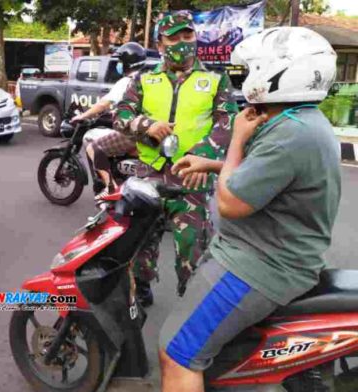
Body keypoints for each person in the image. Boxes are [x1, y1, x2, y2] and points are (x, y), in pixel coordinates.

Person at [158, 26, 340, 392]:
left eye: (251, 67)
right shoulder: (298, 122)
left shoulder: (290, 134)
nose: (244, 76)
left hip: (258, 265)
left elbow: (230, 203)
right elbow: (267, 173)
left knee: (177, 352)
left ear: (277, 72)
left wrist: (238, 136)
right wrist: (209, 164)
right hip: (274, 256)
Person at [107, 11, 238, 306]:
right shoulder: (144, 79)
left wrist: (200, 156)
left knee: (193, 248)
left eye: (187, 36)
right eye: (174, 37)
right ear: (160, 43)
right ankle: (140, 288)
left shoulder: (215, 79)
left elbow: (227, 123)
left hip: (192, 180)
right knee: (140, 241)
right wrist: (145, 126)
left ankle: (191, 304)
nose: (182, 43)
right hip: (149, 175)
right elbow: (120, 114)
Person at [69, 42, 147, 194]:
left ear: (126, 63)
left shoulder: (127, 81)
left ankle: (111, 188)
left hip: (134, 132)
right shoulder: (149, 79)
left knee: (93, 146)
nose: (118, 65)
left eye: (119, 62)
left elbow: (103, 104)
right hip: (149, 129)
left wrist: (82, 116)